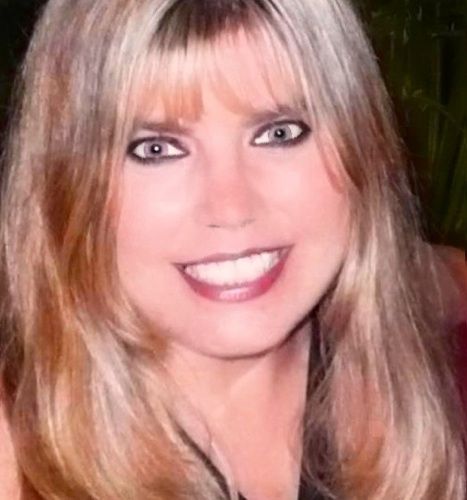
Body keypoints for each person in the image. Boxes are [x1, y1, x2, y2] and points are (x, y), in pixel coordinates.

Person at [0, 0, 465, 498]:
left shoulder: (396, 355)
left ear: (363, 152)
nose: (231, 207)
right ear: (66, 187)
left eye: (279, 133)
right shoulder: (17, 454)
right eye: (157, 149)